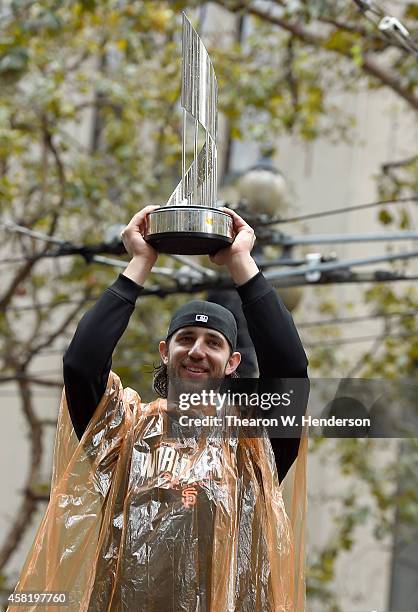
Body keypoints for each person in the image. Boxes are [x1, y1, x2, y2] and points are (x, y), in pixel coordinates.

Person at [9, 207, 309, 612]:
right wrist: (140, 261)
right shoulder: (123, 431)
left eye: (213, 342)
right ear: (166, 352)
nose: (197, 351)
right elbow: (81, 364)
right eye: (186, 338)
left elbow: (291, 371)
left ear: (233, 363)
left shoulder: (252, 444)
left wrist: (241, 262)